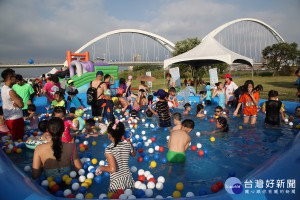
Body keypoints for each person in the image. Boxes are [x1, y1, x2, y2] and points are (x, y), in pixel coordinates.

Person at [95, 119, 136, 193]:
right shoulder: (127, 144)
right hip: (128, 179)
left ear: (109, 134)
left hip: (117, 184)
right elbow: (133, 154)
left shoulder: (109, 149)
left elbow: (112, 169)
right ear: (123, 133)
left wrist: (100, 167)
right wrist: (129, 141)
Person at [1, 69, 24, 141]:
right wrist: (19, 101)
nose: (16, 78)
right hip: (16, 118)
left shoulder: (3, 88)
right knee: (19, 141)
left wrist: (18, 100)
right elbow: (21, 104)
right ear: (10, 78)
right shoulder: (10, 91)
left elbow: (20, 99)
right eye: (14, 76)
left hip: (9, 118)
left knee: (14, 141)